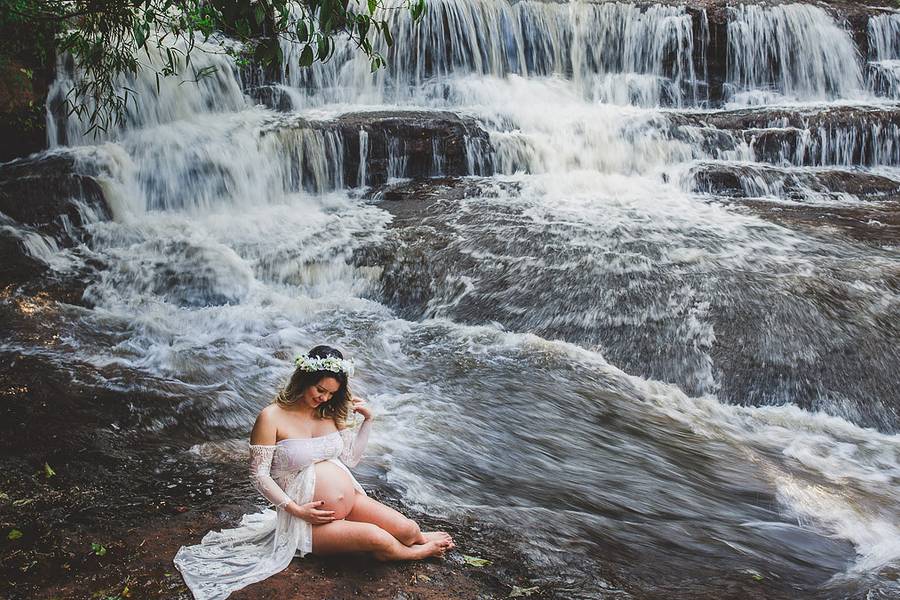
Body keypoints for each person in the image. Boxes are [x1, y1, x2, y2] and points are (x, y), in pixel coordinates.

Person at [174, 345, 454, 600]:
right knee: (378, 539)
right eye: (320, 389)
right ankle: (413, 552)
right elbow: (259, 476)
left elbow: (351, 459)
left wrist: (368, 420)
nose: (324, 397)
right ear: (304, 379)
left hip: (351, 501)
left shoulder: (329, 413)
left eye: (332, 393)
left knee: (409, 528)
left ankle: (411, 539)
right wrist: (296, 510)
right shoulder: (271, 417)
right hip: (307, 522)